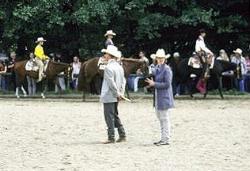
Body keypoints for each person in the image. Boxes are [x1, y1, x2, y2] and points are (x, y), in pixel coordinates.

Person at [145, 49, 174, 146]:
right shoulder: (157, 68)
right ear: (156, 59)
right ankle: (163, 138)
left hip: (164, 97)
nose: (160, 60)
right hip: (158, 97)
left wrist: (154, 84)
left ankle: (166, 139)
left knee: (164, 119)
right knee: (161, 118)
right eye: (159, 58)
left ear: (164, 59)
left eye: (162, 58)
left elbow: (167, 84)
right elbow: (150, 74)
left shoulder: (167, 69)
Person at [100, 45, 126, 144]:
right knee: (115, 115)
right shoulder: (119, 67)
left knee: (109, 116)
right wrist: (121, 93)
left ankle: (111, 137)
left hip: (109, 95)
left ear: (109, 56)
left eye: (106, 54)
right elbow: (123, 81)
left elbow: (111, 84)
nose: (104, 55)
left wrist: (117, 93)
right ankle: (122, 134)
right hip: (116, 95)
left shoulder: (108, 68)